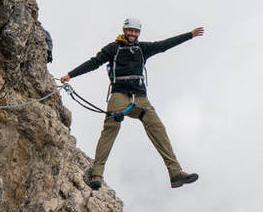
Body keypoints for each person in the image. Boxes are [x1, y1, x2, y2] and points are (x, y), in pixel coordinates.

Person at [61, 17, 204, 189]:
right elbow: (94, 63)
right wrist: (71, 74)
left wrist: (190, 35)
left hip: (140, 98)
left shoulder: (142, 49)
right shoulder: (113, 48)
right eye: (130, 31)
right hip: (119, 95)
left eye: (136, 31)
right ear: (124, 30)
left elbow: (164, 45)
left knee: (157, 128)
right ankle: (96, 173)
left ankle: (175, 173)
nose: (132, 34)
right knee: (110, 130)